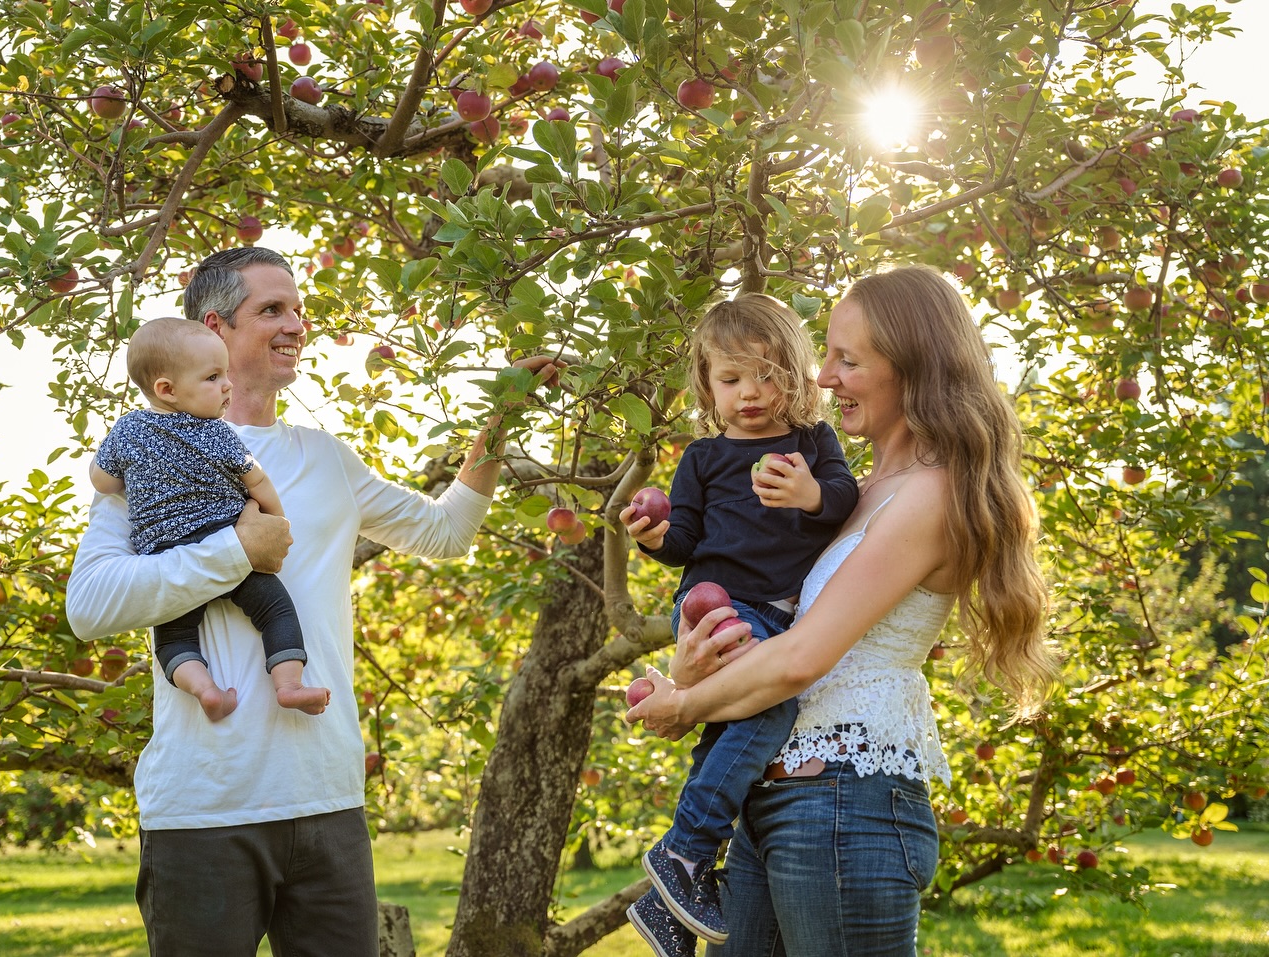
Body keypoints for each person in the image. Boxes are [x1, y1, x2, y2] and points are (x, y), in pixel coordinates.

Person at [66, 246, 562, 957]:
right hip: (204, 808)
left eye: (298, 308)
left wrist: (501, 415)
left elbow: (447, 530)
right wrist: (237, 553)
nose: (296, 323)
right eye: (272, 309)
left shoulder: (326, 457)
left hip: (328, 801)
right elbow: (90, 606)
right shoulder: (149, 450)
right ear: (215, 326)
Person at [627, 265, 1058, 957]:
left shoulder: (931, 494)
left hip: (842, 806)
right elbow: (771, 620)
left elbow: (803, 656)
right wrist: (696, 665)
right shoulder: (858, 489)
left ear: (912, 368)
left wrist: (686, 704)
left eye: (845, 359)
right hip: (770, 804)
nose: (822, 379)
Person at [617, 294, 858, 953]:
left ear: (797, 375)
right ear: (707, 385)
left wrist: (810, 494)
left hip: (781, 618)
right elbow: (685, 538)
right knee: (771, 711)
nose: (750, 391)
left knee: (725, 734)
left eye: (767, 374)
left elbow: (844, 499)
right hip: (717, 605)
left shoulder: (813, 442)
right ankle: (686, 852)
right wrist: (655, 533)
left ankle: (669, 903)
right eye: (732, 378)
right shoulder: (702, 457)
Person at [90, 316, 329, 722]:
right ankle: (289, 686)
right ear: (167, 389)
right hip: (228, 537)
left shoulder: (128, 429)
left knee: (175, 637)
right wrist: (276, 520)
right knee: (277, 612)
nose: (227, 386)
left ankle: (206, 691)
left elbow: (102, 482)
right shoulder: (217, 433)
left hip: (166, 555)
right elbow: (259, 482)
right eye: (213, 377)